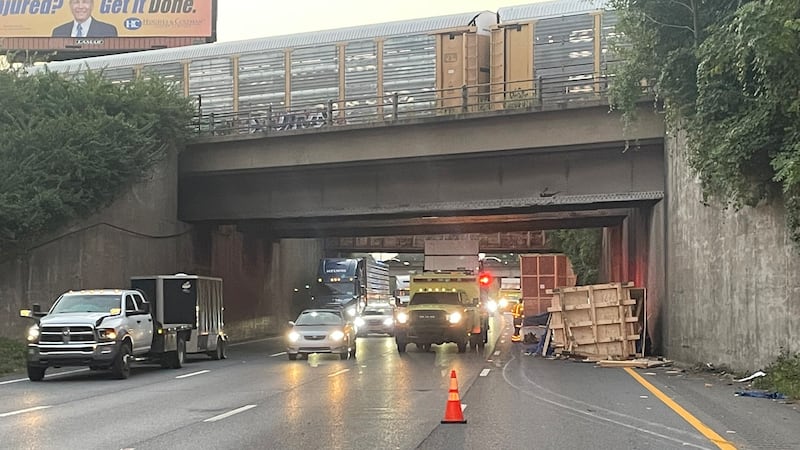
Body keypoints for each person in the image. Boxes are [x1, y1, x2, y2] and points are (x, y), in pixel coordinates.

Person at [52, 0, 118, 38]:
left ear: (92, 5)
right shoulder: (58, 32)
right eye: (76, 2)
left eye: (85, 2)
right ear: (70, 5)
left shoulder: (108, 31)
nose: (80, 7)